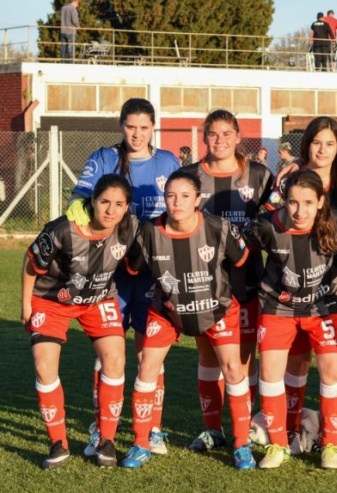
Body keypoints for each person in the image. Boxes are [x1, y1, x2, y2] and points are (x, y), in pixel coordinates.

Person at [67, 97, 180, 458]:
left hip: (152, 275)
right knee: (106, 354)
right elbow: (78, 202)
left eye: (144, 127)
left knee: (151, 354)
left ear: (153, 128)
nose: (137, 133)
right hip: (110, 274)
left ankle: (154, 428)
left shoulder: (168, 162)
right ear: (121, 126)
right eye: (131, 126)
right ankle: (101, 426)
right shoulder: (103, 159)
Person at [121, 169, 254, 470]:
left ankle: (241, 444)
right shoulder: (148, 232)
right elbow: (133, 269)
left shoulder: (219, 227)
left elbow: (241, 261)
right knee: (147, 368)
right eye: (170, 195)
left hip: (217, 309)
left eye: (184, 196)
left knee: (233, 369)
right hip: (167, 311)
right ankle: (141, 442)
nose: (176, 202)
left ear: (197, 198)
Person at [22, 174, 139, 469]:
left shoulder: (130, 227)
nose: (110, 210)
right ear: (93, 200)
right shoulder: (62, 229)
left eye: (119, 204)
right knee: (43, 364)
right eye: (104, 202)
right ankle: (58, 442)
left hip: (98, 299)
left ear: (127, 207)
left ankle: (106, 441)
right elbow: (30, 263)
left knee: (114, 358)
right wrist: (25, 305)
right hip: (51, 301)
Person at [244, 170, 337, 469]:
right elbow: (239, 252)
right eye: (292, 202)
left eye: (308, 202)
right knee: (270, 372)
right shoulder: (267, 226)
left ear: (321, 202)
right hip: (278, 307)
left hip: (325, 306)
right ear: (284, 201)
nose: (299, 210)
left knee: (332, 371)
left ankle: (330, 445)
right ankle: (278, 444)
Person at [182, 109, 274, 453]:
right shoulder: (189, 176)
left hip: (247, 278)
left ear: (238, 137)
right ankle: (212, 429)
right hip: (202, 281)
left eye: (226, 134)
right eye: (213, 134)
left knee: (244, 360)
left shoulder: (261, 176)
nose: (219, 141)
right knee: (208, 359)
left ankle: (245, 425)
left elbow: (277, 217)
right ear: (204, 138)